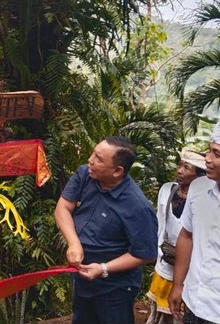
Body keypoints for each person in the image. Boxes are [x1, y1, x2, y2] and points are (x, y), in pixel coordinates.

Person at [54, 136, 158, 324]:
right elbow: (63, 207)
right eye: (94, 153)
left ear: (117, 171)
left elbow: (145, 254)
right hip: (83, 277)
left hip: (115, 287)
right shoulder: (85, 174)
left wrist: (103, 268)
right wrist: (74, 243)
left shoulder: (137, 206)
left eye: (99, 159)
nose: (90, 160)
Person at [169, 121, 220, 324]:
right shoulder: (199, 188)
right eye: (209, 150)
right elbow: (187, 235)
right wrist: (178, 284)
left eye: (216, 154)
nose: (207, 159)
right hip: (195, 301)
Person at [146, 149, 206, 324]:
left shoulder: (204, 197)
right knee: (160, 309)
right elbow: (161, 223)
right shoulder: (167, 190)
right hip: (166, 258)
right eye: (180, 165)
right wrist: (158, 253)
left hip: (191, 263)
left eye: (187, 168)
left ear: (199, 175)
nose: (179, 170)